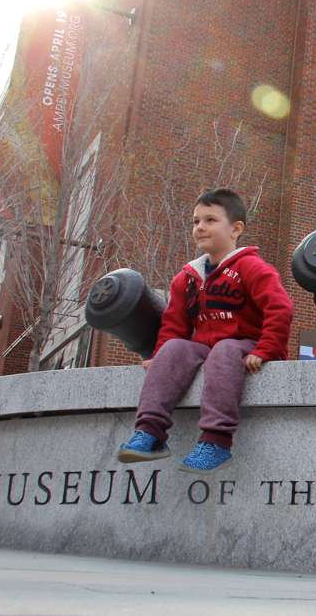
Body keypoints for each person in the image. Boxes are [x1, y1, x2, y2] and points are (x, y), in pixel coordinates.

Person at [116, 188, 293, 473]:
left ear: (236, 229)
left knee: (224, 350)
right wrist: (160, 357)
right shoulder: (186, 278)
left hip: (245, 345)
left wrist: (266, 349)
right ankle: (150, 433)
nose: (200, 227)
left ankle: (216, 441)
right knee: (175, 348)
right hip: (207, 347)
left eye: (210, 220)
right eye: (196, 221)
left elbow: (280, 308)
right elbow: (174, 324)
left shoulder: (253, 268)